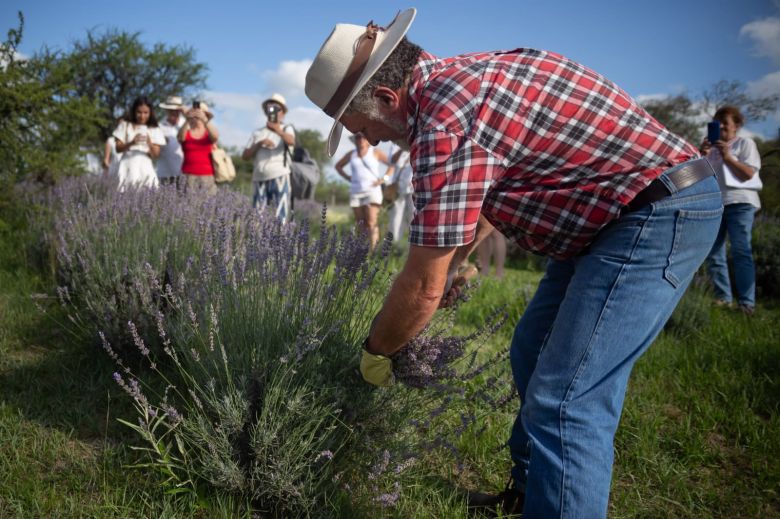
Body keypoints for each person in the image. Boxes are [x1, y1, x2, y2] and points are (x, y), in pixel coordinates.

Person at [305, 9, 723, 518]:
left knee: (567, 402)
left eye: (362, 127)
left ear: (389, 99)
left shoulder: (445, 122)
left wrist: (375, 352)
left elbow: (421, 287)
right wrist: (457, 263)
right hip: (609, 216)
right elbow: (484, 200)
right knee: (532, 349)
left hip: (655, 211)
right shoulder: (465, 79)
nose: (368, 141)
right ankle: (534, 495)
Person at [701, 105, 762, 314]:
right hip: (716, 204)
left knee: (740, 250)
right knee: (714, 252)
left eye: (725, 125)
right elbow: (700, 178)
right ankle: (723, 298)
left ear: (736, 125)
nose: (722, 129)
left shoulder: (746, 144)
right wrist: (702, 155)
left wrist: (729, 157)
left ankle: (746, 303)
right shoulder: (711, 151)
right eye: (718, 125)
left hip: (740, 203)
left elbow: (748, 174)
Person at [334, 132, 392, 250]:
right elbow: (338, 166)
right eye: (357, 137)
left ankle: (373, 250)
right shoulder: (352, 154)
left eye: (363, 136)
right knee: (360, 223)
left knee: (371, 221)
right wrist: (348, 177)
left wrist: (383, 179)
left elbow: (392, 164)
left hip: (372, 191)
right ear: (355, 140)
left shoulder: (375, 152)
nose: (360, 139)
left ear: (368, 139)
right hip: (356, 191)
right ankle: (362, 250)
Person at [242, 93, 296, 221]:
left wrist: (277, 130)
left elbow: (291, 141)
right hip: (259, 178)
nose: (273, 111)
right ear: (265, 111)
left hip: (280, 175)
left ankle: (280, 240)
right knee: (257, 218)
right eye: (270, 107)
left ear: (283, 112)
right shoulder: (257, 132)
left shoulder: (287, 128)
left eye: (277, 108)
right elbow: (245, 156)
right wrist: (259, 143)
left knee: (280, 217)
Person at [112, 97, 166, 190]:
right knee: (124, 194)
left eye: (146, 113)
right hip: (127, 165)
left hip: (145, 166)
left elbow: (156, 154)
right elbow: (118, 148)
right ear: (134, 111)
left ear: (150, 113)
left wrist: (149, 143)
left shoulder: (154, 128)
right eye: (139, 112)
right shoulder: (125, 125)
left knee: (148, 193)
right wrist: (131, 143)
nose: (142, 116)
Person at [178, 101, 219, 196]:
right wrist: (187, 119)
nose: (197, 116)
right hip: (188, 176)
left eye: (200, 113)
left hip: (207, 176)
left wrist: (205, 120)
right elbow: (180, 138)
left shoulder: (208, 132)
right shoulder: (186, 131)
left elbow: (215, 137)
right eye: (195, 113)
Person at [386, 145, 415, 244]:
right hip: (398, 189)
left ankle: (412, 246)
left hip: (414, 189)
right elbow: (392, 161)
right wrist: (403, 148)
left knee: (413, 219)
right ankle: (393, 246)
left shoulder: (417, 141)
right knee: (395, 220)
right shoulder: (394, 145)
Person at [157, 95, 185, 186]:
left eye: (177, 110)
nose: (174, 112)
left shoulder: (187, 124)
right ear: (166, 110)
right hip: (165, 173)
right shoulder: (159, 126)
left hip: (184, 173)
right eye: (171, 110)